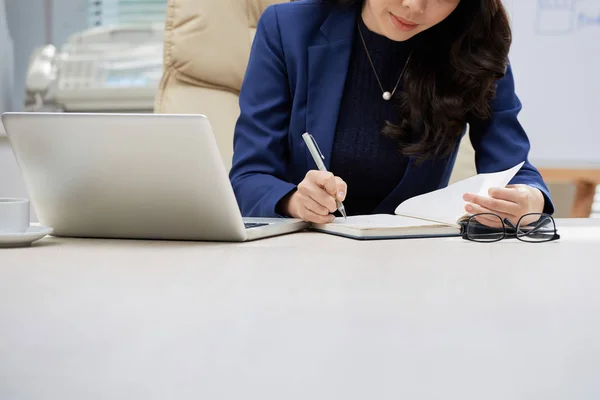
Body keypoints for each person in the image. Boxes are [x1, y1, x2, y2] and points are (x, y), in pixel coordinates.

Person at [229, 0, 554, 227]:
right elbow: (249, 177)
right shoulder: (288, 29)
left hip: (413, 261)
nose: (414, 5)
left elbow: (513, 170)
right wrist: (294, 201)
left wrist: (529, 200)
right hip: (302, 258)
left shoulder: (474, 48)